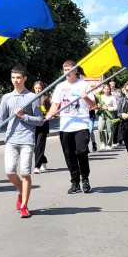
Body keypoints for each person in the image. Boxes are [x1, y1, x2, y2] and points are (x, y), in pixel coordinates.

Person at [0, 66, 43, 218]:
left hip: (27, 139)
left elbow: (40, 120)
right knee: (9, 171)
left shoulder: (32, 97)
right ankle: (22, 192)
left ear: (24, 79)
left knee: (25, 172)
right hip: (10, 139)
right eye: (13, 78)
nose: (15, 81)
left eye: (18, 78)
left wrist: (23, 116)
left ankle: (24, 206)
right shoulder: (6, 98)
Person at [46, 61, 97, 193]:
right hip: (65, 125)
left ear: (75, 70)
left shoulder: (84, 85)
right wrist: (50, 113)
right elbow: (55, 104)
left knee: (81, 152)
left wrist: (86, 98)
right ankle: (75, 182)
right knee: (69, 155)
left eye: (69, 69)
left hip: (81, 124)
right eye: (65, 69)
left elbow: (94, 105)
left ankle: (85, 178)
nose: (67, 72)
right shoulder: (60, 86)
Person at [32, 81, 51, 173]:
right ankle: (43, 160)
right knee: (35, 147)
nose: (38, 90)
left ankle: (37, 166)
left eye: (39, 88)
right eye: (36, 88)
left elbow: (50, 111)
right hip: (33, 124)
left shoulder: (45, 99)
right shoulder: (31, 98)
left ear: (42, 88)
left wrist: (46, 115)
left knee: (40, 144)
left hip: (43, 124)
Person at [96, 83, 119, 149]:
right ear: (103, 90)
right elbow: (97, 105)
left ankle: (109, 144)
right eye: (105, 89)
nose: (107, 90)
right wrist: (98, 106)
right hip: (102, 114)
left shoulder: (112, 97)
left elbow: (115, 107)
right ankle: (103, 142)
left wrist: (108, 108)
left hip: (110, 115)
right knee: (100, 129)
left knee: (109, 129)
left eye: (108, 89)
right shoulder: (100, 97)